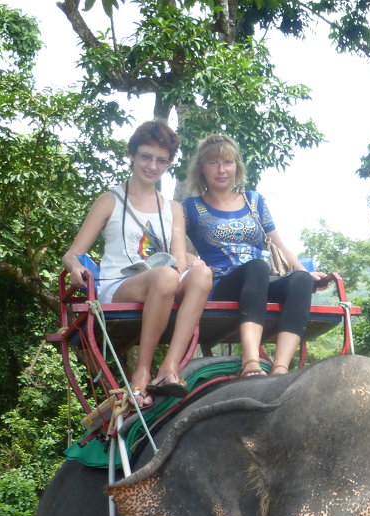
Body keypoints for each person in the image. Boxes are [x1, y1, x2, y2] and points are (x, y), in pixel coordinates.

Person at [63, 120, 212, 407]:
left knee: (202, 274)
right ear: (132, 155)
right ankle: (142, 372)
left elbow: (179, 259)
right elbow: (72, 253)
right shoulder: (110, 200)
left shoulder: (173, 209)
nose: (152, 166)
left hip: (163, 279)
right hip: (119, 284)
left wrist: (191, 264)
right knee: (166, 277)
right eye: (146, 156)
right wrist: (74, 268)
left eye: (161, 160)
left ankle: (169, 369)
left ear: (168, 164)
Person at [183, 134, 330, 377]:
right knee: (257, 267)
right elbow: (176, 247)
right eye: (213, 163)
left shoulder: (254, 201)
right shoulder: (190, 206)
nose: (221, 170)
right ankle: (250, 362)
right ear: (201, 169)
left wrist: (304, 272)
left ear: (236, 167)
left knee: (299, 281)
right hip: (222, 283)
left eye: (228, 162)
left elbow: (279, 242)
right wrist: (191, 261)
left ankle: (281, 367)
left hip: (260, 281)